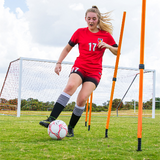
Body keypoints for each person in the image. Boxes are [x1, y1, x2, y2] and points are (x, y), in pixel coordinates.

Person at [39, 6, 118, 137]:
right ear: (85, 19)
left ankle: (70, 129)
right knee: (70, 86)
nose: (91, 21)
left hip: (94, 72)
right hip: (80, 66)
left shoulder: (105, 35)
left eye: (94, 18)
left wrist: (108, 46)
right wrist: (59, 62)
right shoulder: (80, 32)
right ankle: (51, 119)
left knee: (81, 99)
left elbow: (117, 51)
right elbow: (67, 49)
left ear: (98, 19)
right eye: (89, 18)